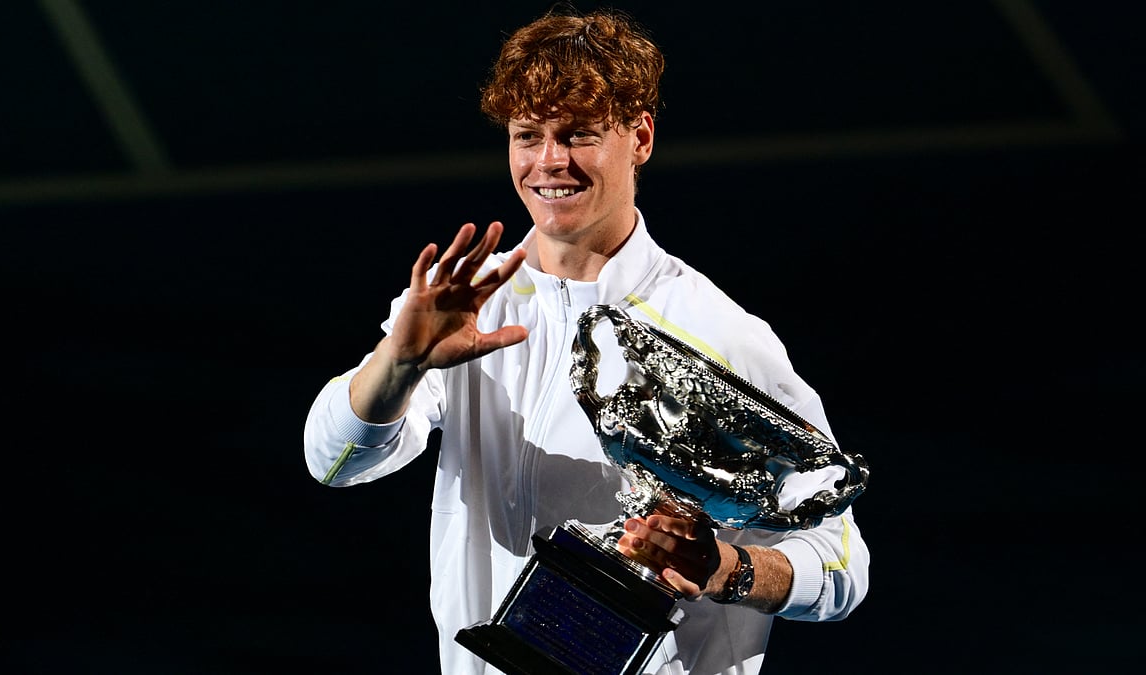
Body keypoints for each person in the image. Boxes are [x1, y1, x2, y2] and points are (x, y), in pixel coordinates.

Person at [303, 7, 869, 674]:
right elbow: (335, 461)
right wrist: (398, 360)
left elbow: (841, 565)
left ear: (641, 138)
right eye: (526, 135)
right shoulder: (462, 303)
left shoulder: (725, 335)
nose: (549, 162)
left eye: (578, 135)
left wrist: (724, 567)